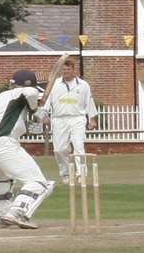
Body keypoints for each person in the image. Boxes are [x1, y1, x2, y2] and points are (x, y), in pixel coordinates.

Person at [0, 70, 56, 230]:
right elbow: (29, 92)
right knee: (38, 182)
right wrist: (35, 108)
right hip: (1, 144)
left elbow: (20, 117)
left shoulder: (2, 97)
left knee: (0, 178)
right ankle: (17, 212)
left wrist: (36, 112)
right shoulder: (22, 92)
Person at [36, 54, 100, 182]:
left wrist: (92, 119)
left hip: (77, 118)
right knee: (59, 149)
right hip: (59, 119)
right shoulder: (54, 84)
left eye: (68, 70)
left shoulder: (83, 85)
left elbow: (89, 101)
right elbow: (46, 101)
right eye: (63, 70)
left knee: (78, 147)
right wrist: (44, 115)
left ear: (73, 70)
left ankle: (81, 174)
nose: (65, 72)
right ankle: (65, 174)